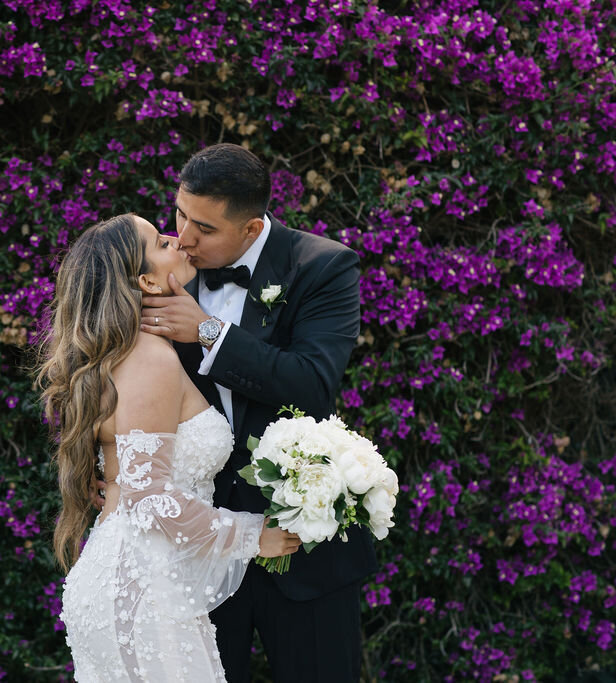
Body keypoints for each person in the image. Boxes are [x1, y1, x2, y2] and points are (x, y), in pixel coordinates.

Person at [140, 143, 379, 682]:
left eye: (204, 227)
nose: (184, 237)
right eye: (179, 214)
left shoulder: (323, 266)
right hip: (199, 546)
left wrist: (206, 331)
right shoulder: (165, 265)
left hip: (303, 542)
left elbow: (312, 385)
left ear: (250, 230)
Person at [36, 213, 302, 682]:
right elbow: (149, 499)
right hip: (143, 584)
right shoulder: (148, 357)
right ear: (145, 280)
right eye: (162, 242)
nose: (178, 241)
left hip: (140, 577)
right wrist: (251, 534)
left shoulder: (129, 352)